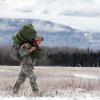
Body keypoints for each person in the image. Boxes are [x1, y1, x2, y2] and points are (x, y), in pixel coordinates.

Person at [11, 24, 44, 94]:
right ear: (35, 40)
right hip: (25, 65)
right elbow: (21, 53)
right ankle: (36, 92)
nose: (40, 42)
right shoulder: (26, 45)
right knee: (33, 77)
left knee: (21, 79)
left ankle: (14, 91)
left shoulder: (37, 47)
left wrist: (40, 53)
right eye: (39, 41)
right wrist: (31, 50)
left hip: (30, 66)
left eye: (40, 41)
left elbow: (37, 56)